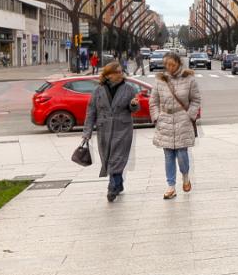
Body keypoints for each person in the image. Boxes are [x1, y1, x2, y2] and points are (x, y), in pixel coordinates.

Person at [82, 61, 141, 202]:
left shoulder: (129, 89)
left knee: (118, 158)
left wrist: (134, 105)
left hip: (123, 128)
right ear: (108, 75)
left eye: (121, 71)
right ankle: (119, 184)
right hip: (104, 129)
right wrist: (86, 133)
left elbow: (135, 109)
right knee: (108, 158)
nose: (121, 74)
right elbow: (91, 112)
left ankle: (112, 187)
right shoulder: (98, 91)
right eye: (118, 72)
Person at [150, 51, 201, 200]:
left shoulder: (189, 79)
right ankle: (171, 186)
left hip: (182, 119)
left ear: (178, 63)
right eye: (166, 64)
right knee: (168, 155)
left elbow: (196, 100)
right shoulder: (160, 80)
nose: (169, 67)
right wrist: (157, 117)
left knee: (181, 154)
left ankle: (185, 176)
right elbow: (153, 101)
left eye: (172, 64)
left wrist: (189, 115)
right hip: (165, 120)